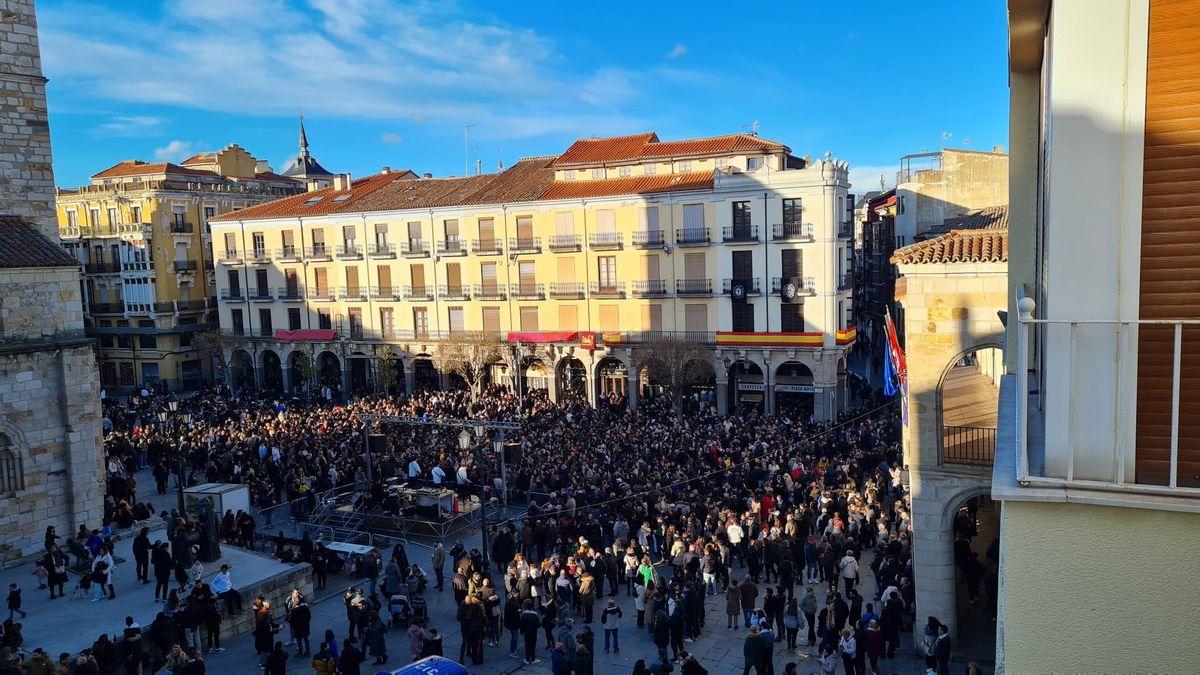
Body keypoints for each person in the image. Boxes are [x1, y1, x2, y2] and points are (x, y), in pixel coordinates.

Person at [519, 600, 541, 665]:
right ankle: (533, 659)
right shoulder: (535, 615)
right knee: (533, 645)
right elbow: (539, 625)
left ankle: (527, 659)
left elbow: (521, 625)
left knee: (527, 645)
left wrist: (522, 631)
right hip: (533, 632)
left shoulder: (523, 615)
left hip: (526, 633)